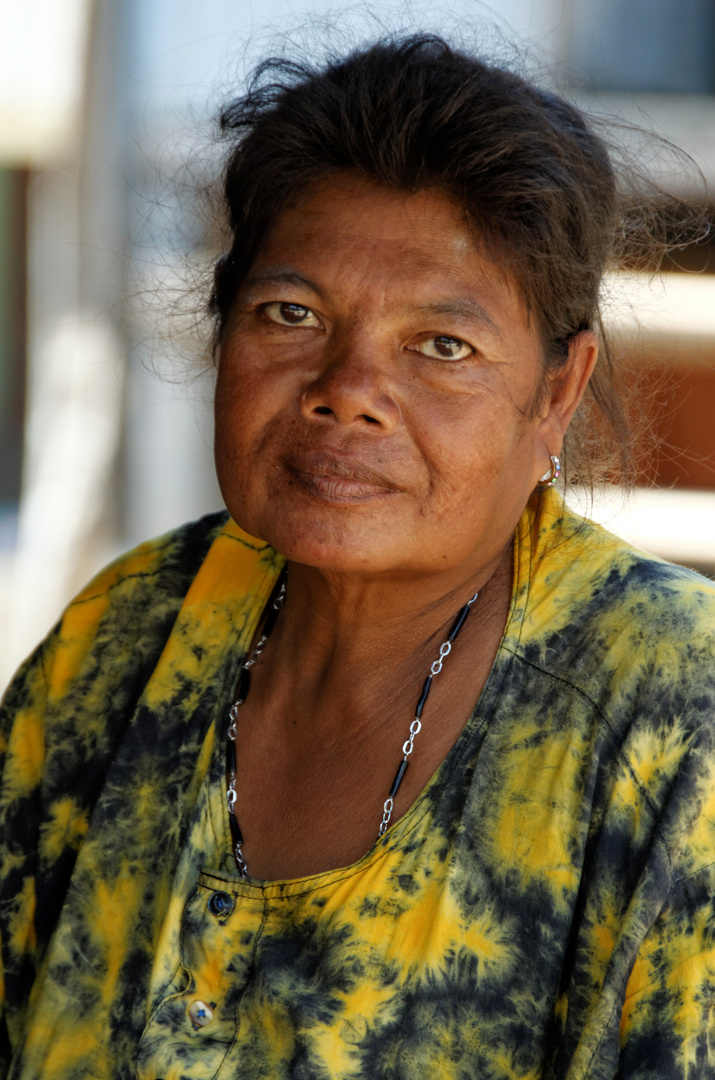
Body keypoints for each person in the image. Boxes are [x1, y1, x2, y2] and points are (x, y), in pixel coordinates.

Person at [1, 32, 714, 1080]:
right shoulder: (128, 638)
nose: (347, 390)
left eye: (441, 346)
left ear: (556, 391)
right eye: (292, 315)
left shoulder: (666, 715)